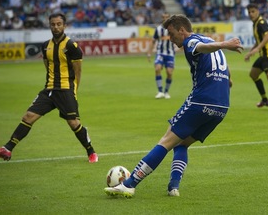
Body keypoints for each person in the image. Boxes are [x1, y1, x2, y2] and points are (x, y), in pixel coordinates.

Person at [104, 14, 243, 198]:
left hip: (201, 101)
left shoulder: (191, 41)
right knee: (182, 144)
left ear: (182, 30)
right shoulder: (208, 38)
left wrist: (225, 44)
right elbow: (218, 58)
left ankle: (129, 184)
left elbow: (201, 48)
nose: (170, 38)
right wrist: (229, 79)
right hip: (222, 107)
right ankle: (173, 188)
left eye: (171, 34)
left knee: (166, 141)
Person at [0, 13, 98, 163]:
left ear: (64, 25)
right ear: (49, 25)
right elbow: (48, 67)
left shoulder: (71, 46)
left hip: (65, 90)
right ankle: (8, 148)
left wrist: (74, 91)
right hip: (49, 90)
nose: (56, 27)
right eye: (53, 24)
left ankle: (91, 151)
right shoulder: (45, 46)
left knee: (73, 123)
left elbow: (78, 71)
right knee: (28, 117)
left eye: (59, 24)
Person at [147, 13, 175, 99]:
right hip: (160, 53)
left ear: (169, 18)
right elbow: (153, 41)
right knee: (157, 68)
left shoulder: (173, 29)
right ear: (162, 18)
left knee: (169, 73)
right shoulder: (158, 29)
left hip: (170, 54)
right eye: (164, 17)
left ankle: (166, 92)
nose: (165, 18)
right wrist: (149, 53)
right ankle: (160, 91)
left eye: (167, 17)